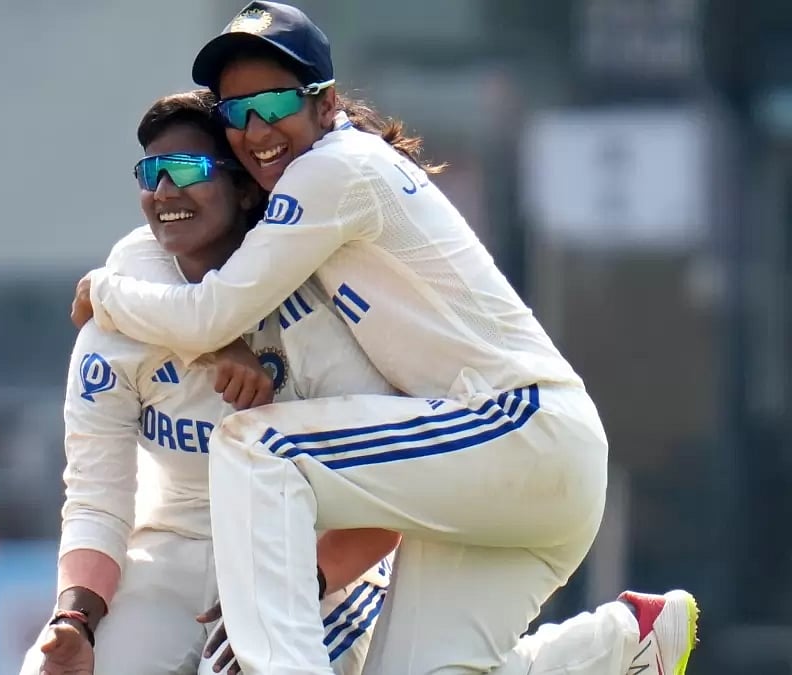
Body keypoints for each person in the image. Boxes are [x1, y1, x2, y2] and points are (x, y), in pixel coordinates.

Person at [70, 3, 700, 675]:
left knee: (258, 448)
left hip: (517, 427)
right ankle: (627, 641)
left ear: (326, 102)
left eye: (276, 100)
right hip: (504, 476)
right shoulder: (306, 194)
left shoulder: (332, 170)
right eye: (235, 112)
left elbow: (206, 313)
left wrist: (103, 292)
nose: (255, 129)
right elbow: (177, 263)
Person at [17, 89, 400, 675]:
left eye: (188, 169)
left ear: (245, 187)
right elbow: (97, 499)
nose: (164, 191)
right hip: (166, 549)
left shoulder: (316, 317)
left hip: (305, 556)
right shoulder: (116, 312)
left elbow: (388, 498)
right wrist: (74, 620)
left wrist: (290, 589)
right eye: (151, 173)